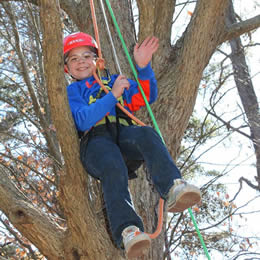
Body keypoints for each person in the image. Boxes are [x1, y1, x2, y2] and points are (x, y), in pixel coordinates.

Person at [63, 32, 201, 259]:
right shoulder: (72, 91)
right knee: (111, 162)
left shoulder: (111, 80)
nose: (81, 62)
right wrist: (113, 95)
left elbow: (145, 97)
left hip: (122, 134)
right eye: (74, 59)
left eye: (86, 56)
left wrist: (143, 68)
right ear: (67, 68)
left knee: (145, 133)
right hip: (96, 143)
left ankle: (173, 187)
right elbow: (83, 119)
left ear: (97, 60)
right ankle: (128, 230)